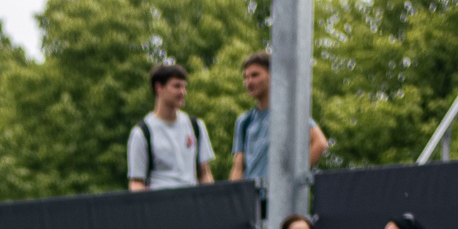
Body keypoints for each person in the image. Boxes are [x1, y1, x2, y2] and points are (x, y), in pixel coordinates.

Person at [228, 50, 328, 182]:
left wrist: (292, 179)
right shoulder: (244, 121)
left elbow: (320, 143)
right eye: (246, 77)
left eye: (255, 75)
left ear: (272, 75)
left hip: (279, 193)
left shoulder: (287, 114)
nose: (249, 82)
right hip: (252, 192)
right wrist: (234, 193)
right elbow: (238, 167)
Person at [127, 62, 213, 191]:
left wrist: (210, 198)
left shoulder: (196, 126)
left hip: (191, 199)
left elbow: (205, 174)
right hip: (160, 199)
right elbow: (136, 182)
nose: (182, 92)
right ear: (159, 87)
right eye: (177, 86)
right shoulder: (142, 133)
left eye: (184, 87)